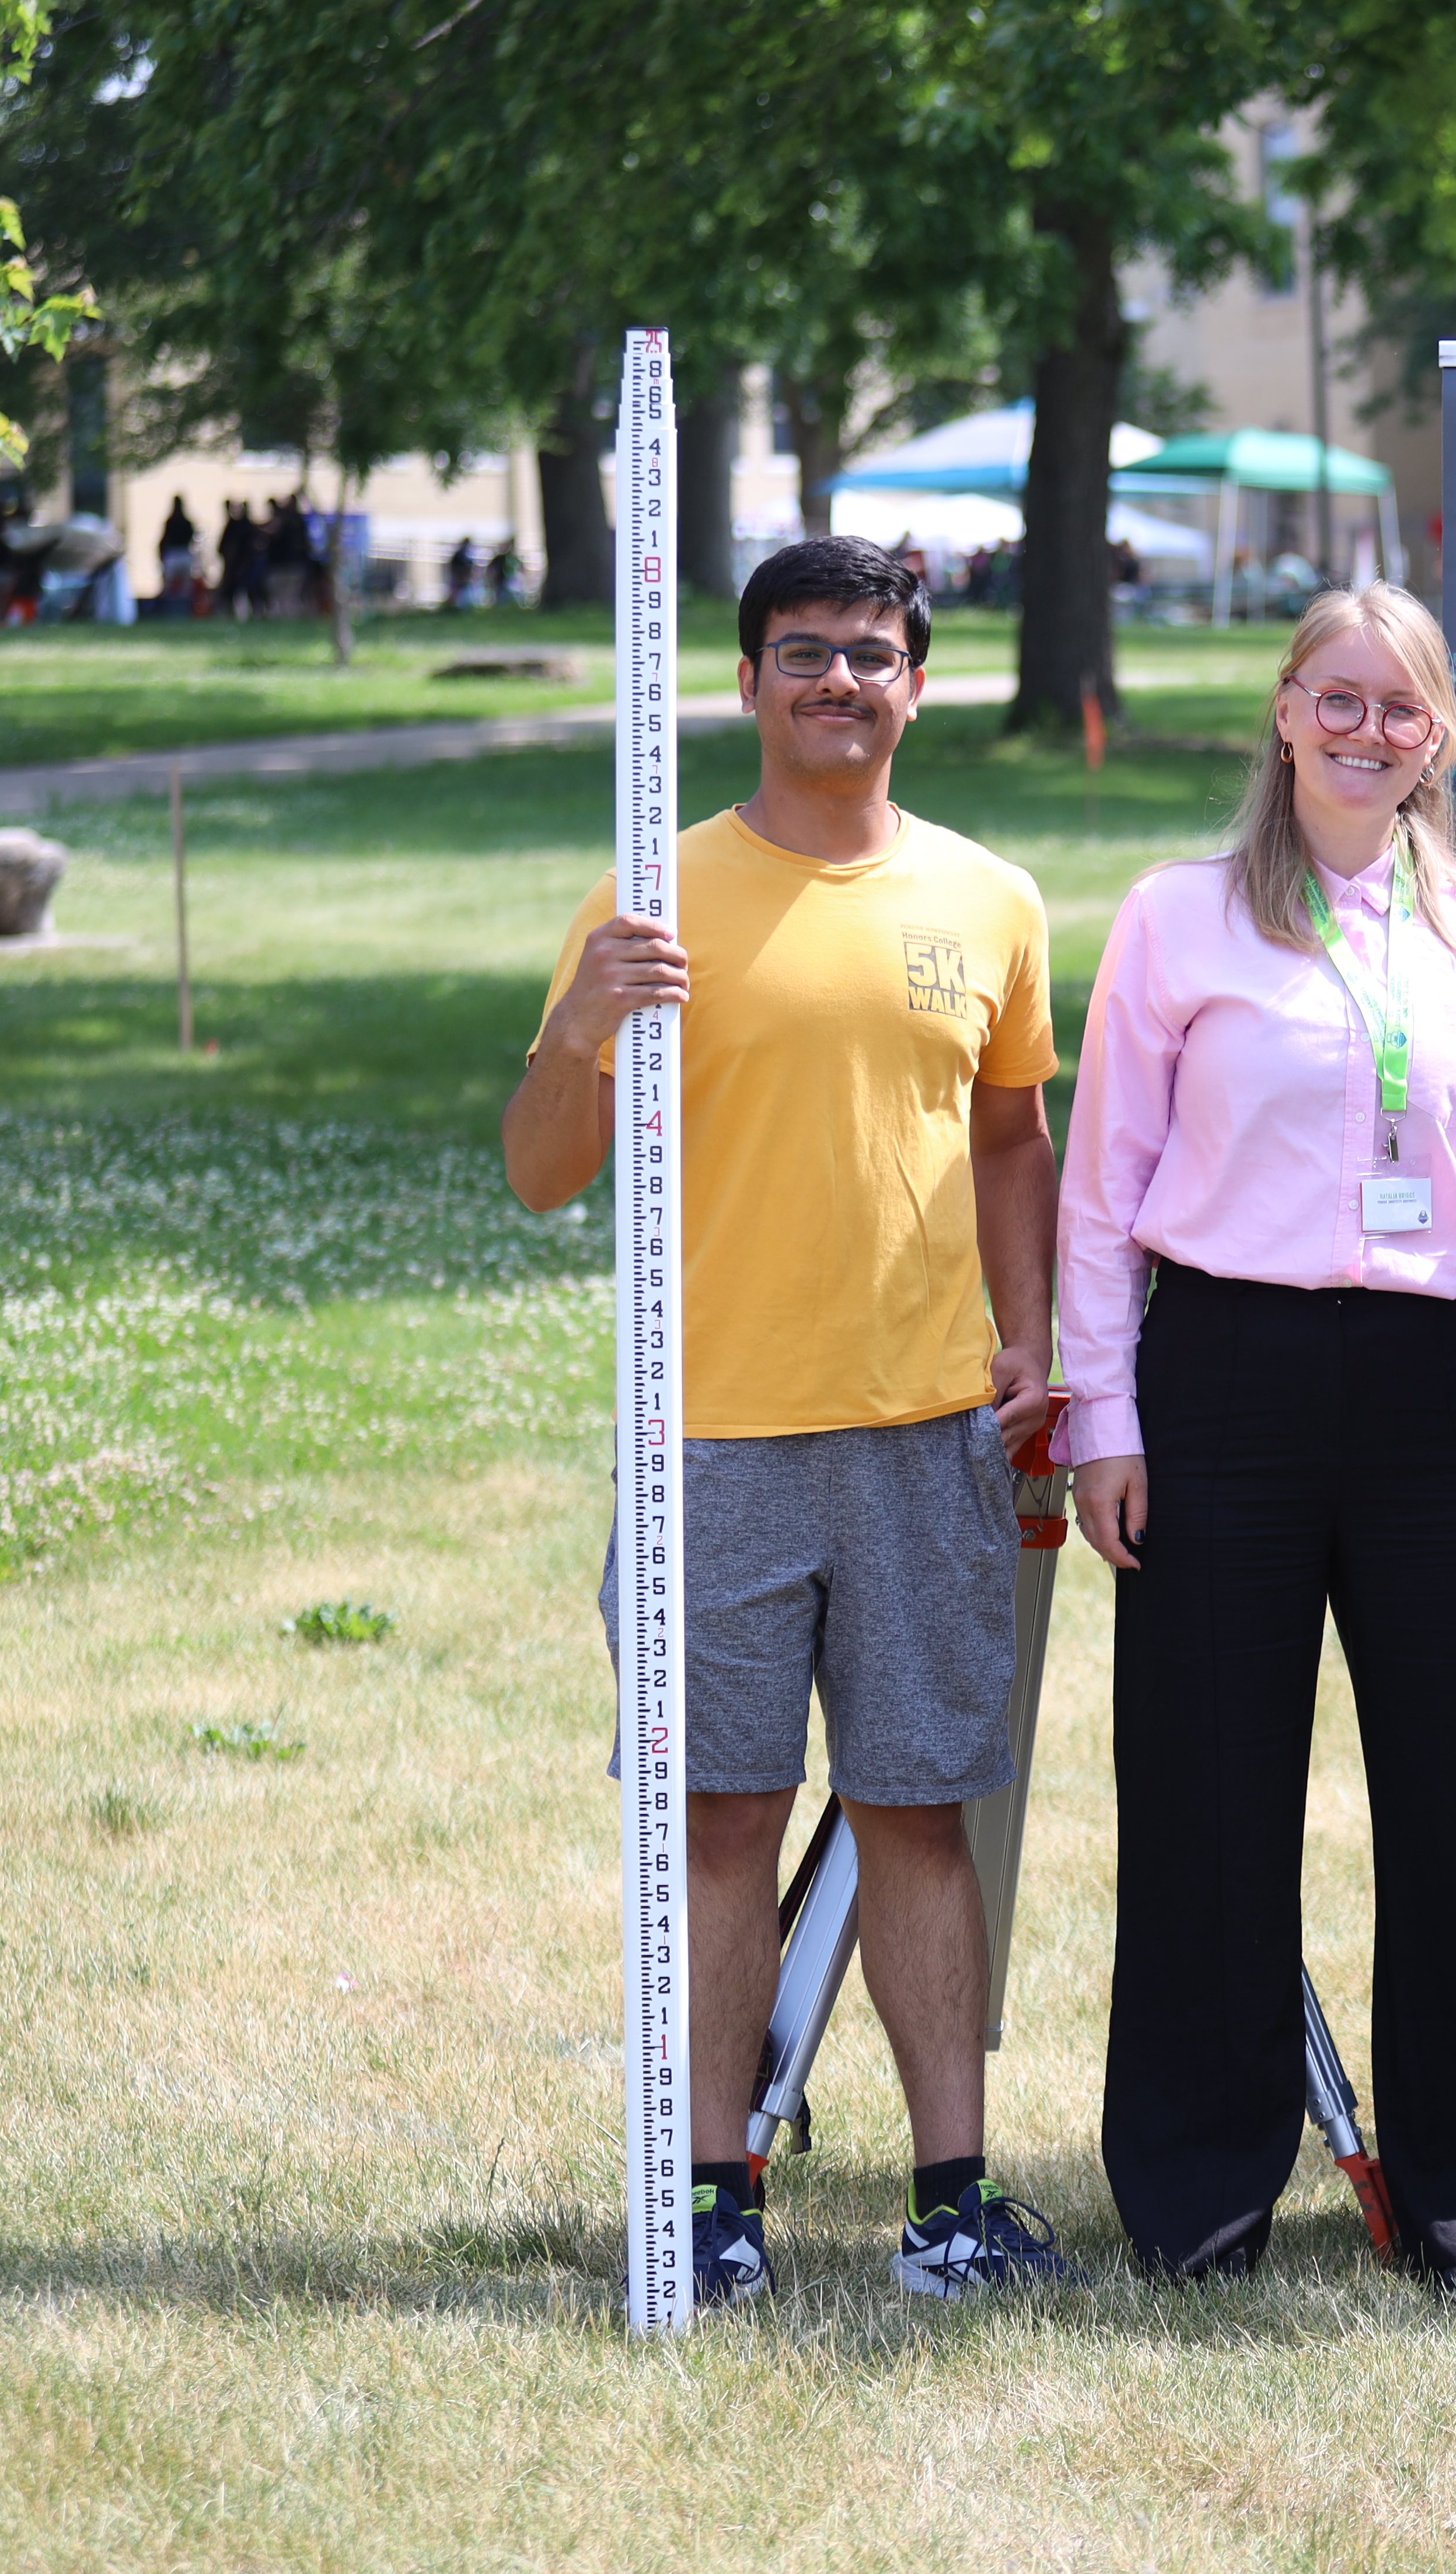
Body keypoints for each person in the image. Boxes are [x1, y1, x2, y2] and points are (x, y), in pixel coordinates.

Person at [502, 533, 1078, 2307]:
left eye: (874, 652)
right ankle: (707, 2192)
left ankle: (954, 2198)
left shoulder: (990, 901)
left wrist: (1035, 1339)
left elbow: (1007, 1144)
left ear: (919, 682)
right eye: (805, 651)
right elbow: (539, 1172)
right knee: (721, 1818)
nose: (841, 678)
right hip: (712, 1441)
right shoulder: (653, 897)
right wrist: (584, 1028)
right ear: (743, 682)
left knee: (918, 1811)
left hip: (923, 1433)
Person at [1055, 581, 1456, 2293]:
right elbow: (1100, 1197)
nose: (1368, 730)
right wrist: (1102, 1412)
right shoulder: (1179, 919)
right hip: (1220, 1374)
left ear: (1440, 738)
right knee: (1210, 1789)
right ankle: (1195, 2192)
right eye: (1338, 697)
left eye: (1402, 708)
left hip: (1435, 1381)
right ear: (1285, 710)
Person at [158, 497, 199, 614]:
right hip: (184, 555)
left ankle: (175, 610)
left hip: (174, 555)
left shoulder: (171, 522)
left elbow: (165, 540)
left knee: (172, 587)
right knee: (185, 587)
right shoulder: (187, 522)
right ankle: (182, 610)